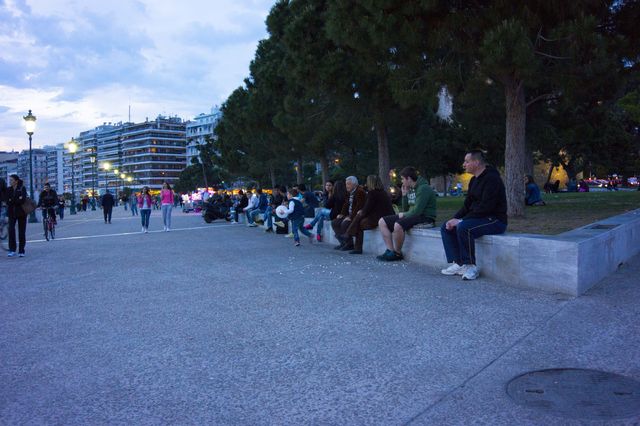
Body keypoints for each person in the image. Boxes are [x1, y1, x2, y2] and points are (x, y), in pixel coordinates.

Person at [440, 150, 507, 281]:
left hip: (495, 220)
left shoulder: (492, 179)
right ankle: (459, 263)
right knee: (446, 227)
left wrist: (460, 221)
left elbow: (487, 207)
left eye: (467, 161)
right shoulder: (473, 180)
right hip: (480, 217)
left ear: (476, 162)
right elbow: (467, 206)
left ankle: (470, 266)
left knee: (464, 227)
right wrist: (454, 219)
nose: (464, 164)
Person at [377, 166, 437, 261]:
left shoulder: (423, 188)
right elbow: (406, 208)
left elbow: (417, 211)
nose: (402, 181)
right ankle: (390, 250)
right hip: (414, 215)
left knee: (398, 225)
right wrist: (404, 196)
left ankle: (397, 253)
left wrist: (404, 214)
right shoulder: (411, 188)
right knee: (382, 221)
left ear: (408, 178)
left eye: (402, 179)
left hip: (425, 216)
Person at [342, 175, 394, 254]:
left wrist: (361, 212)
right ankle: (349, 235)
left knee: (360, 221)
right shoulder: (383, 192)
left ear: (370, 182)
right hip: (386, 216)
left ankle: (352, 240)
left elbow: (367, 209)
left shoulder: (372, 193)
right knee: (360, 217)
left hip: (379, 218)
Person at [332, 176, 366, 251]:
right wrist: (342, 214)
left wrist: (350, 217)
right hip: (349, 215)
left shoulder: (360, 192)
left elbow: (359, 206)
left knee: (345, 223)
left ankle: (349, 244)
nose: (346, 186)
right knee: (335, 222)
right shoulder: (349, 193)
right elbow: (346, 204)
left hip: (357, 216)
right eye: (346, 184)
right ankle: (343, 243)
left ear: (355, 184)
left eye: (348, 184)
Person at [6, 174, 28, 257]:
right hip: (11, 213)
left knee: (21, 232)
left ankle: (21, 251)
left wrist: (13, 200)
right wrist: (16, 199)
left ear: (16, 181)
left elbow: (22, 200)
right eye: (9, 180)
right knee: (11, 230)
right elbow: (7, 201)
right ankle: (12, 249)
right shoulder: (9, 189)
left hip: (22, 213)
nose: (10, 182)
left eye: (11, 180)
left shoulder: (22, 188)